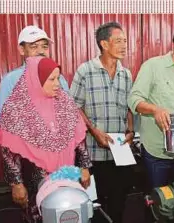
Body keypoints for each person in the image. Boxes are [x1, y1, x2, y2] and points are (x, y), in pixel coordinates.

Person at [0, 56, 91, 223]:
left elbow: (79, 138)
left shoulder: (66, 104)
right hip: (34, 180)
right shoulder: (16, 109)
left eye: (58, 78)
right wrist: (16, 184)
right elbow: (9, 153)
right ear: (36, 79)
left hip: (67, 177)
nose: (57, 84)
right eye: (52, 79)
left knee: (71, 215)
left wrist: (84, 166)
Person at [69, 22, 133, 223]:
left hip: (120, 152)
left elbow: (130, 106)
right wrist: (94, 131)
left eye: (125, 41)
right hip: (93, 152)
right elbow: (74, 107)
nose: (124, 45)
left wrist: (131, 130)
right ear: (104, 44)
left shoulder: (126, 74)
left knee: (119, 202)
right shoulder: (85, 71)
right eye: (119, 41)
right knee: (96, 205)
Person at [128, 23, 174, 189]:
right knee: (160, 205)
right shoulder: (153, 67)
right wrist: (155, 109)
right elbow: (134, 99)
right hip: (158, 153)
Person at [0, 25, 69, 119]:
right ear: (22, 50)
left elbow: (68, 112)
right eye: (34, 47)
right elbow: (5, 120)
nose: (41, 51)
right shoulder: (10, 80)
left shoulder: (59, 78)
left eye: (45, 47)